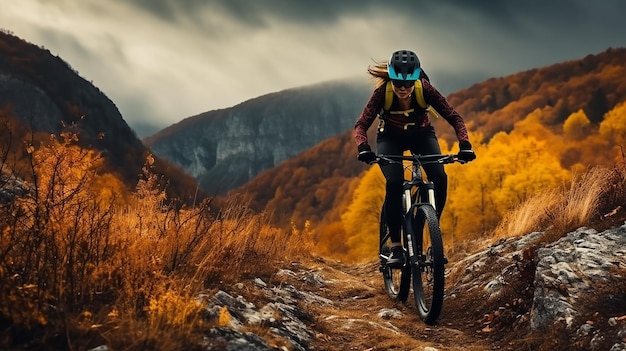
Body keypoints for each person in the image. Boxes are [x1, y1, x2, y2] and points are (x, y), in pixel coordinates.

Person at [353, 49, 476, 268]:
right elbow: (361, 125)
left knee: (439, 177)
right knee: (395, 182)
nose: (402, 89)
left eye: (408, 84)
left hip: (422, 135)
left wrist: (465, 145)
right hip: (390, 138)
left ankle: (428, 226)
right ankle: (397, 247)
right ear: (391, 78)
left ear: (415, 79)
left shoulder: (424, 89)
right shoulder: (383, 92)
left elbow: (455, 117)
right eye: (398, 83)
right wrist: (363, 147)